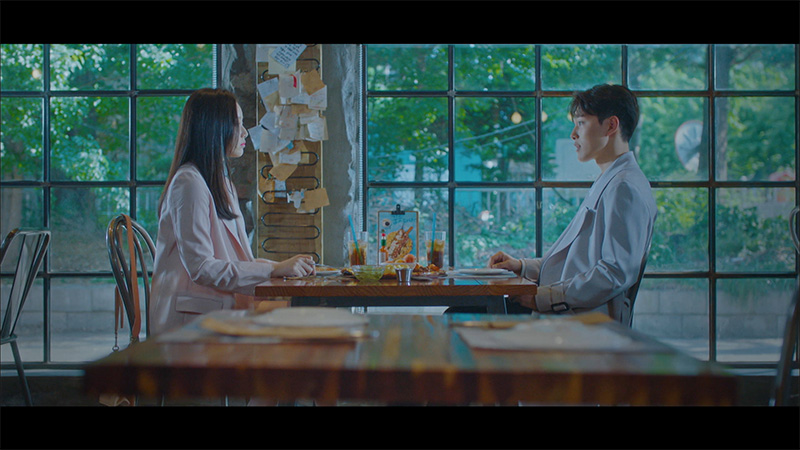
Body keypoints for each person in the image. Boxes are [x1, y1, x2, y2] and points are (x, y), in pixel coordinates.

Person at [150, 88, 315, 335]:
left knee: (299, 322)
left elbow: (236, 262)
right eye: (237, 123)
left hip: (216, 312)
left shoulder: (220, 183)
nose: (245, 132)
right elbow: (201, 268)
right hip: (191, 323)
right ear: (215, 128)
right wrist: (274, 269)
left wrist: (282, 265)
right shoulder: (188, 182)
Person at [490, 84, 657, 323]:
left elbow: (615, 272)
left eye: (581, 123)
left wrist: (543, 298)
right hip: (571, 315)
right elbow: (577, 263)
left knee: (466, 315)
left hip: (582, 323)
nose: (573, 134)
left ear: (611, 125)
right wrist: (521, 266)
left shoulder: (623, 187)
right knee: (470, 312)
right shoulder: (611, 180)